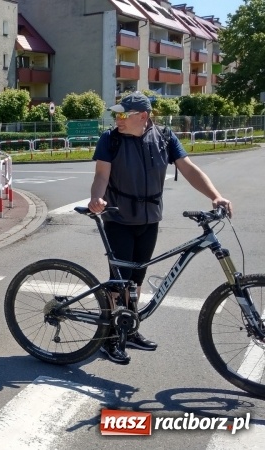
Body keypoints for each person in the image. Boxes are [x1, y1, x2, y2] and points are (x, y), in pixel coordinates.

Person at [88, 91, 232, 365]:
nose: (117, 119)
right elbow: (101, 175)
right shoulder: (111, 139)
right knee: (119, 282)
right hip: (118, 218)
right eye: (116, 114)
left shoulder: (165, 138)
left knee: (137, 279)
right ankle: (108, 338)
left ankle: (128, 330)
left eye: (123, 114)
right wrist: (97, 198)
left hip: (150, 219)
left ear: (142, 116)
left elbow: (189, 169)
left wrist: (215, 195)